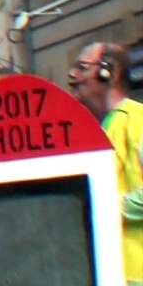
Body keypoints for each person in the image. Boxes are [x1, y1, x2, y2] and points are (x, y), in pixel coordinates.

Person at [67, 40, 143, 285]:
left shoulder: (137, 120)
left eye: (82, 67)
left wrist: (103, 208)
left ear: (109, 73)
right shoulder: (100, 129)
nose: (72, 75)